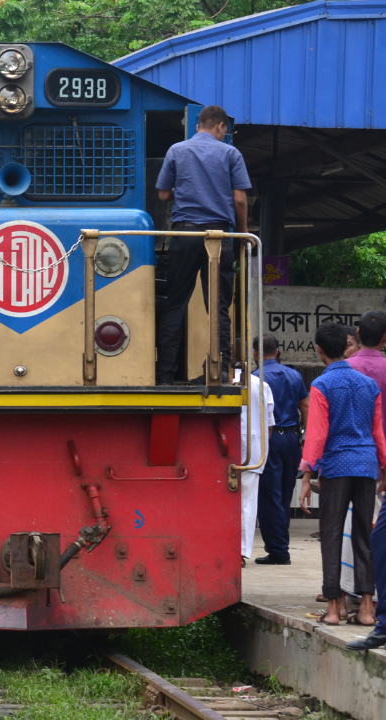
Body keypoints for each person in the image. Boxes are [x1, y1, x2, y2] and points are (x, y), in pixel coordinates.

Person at [154, 105, 251, 385]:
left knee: (175, 303)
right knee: (219, 305)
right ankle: (220, 369)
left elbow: (162, 195)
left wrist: (183, 190)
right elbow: (240, 200)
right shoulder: (231, 153)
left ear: (198, 126)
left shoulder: (177, 150)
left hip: (185, 235)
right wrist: (242, 234)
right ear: (220, 126)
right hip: (219, 238)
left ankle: (164, 375)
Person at [299, 323, 386, 629]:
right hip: (366, 466)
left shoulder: (322, 385)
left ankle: (335, 609)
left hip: (336, 467)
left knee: (333, 535)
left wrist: (307, 473)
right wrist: (384, 467)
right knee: (364, 535)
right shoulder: (368, 385)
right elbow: (378, 432)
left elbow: (317, 434)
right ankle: (365, 608)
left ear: (319, 350)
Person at [345, 312, 386, 649]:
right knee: (375, 536)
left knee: (355, 532)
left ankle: (351, 598)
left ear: (357, 334)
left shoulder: (343, 372)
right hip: (378, 460)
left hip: (349, 459)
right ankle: (376, 612)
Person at [252, 334, 310, 565]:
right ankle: (281, 543)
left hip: (270, 439)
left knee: (268, 495)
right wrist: (305, 437)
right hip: (292, 440)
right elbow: (305, 406)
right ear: (277, 351)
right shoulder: (294, 374)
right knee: (285, 494)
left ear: (255, 353)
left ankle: (278, 550)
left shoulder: (256, 378)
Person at [240, 361, 275, 566]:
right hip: (254, 447)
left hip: (225, 443)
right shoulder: (261, 385)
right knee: (247, 501)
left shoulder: (223, 384)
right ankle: (241, 551)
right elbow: (270, 423)